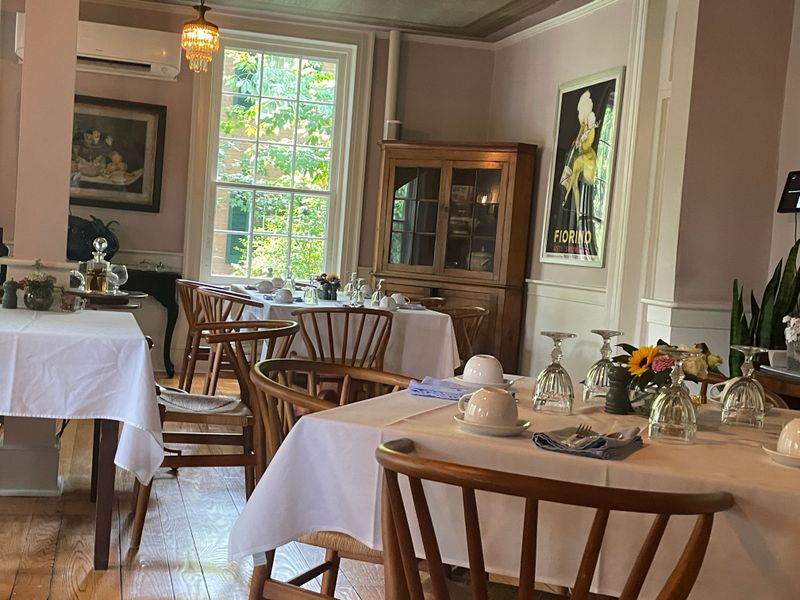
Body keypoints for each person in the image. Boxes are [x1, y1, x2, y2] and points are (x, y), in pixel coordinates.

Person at [560, 90, 598, 217]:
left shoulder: (590, 128)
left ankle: (566, 197)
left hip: (587, 156)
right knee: (574, 181)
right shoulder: (584, 125)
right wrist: (576, 141)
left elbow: (586, 144)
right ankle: (577, 212)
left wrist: (581, 141)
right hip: (582, 153)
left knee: (575, 170)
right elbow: (578, 138)